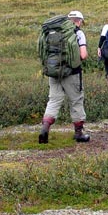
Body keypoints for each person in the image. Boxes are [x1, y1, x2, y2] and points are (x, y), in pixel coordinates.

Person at [39, 11, 90, 144]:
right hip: (72, 73)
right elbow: (83, 55)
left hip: (54, 72)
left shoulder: (52, 33)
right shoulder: (78, 33)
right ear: (78, 21)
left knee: (54, 100)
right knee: (76, 100)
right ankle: (79, 133)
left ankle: (44, 129)